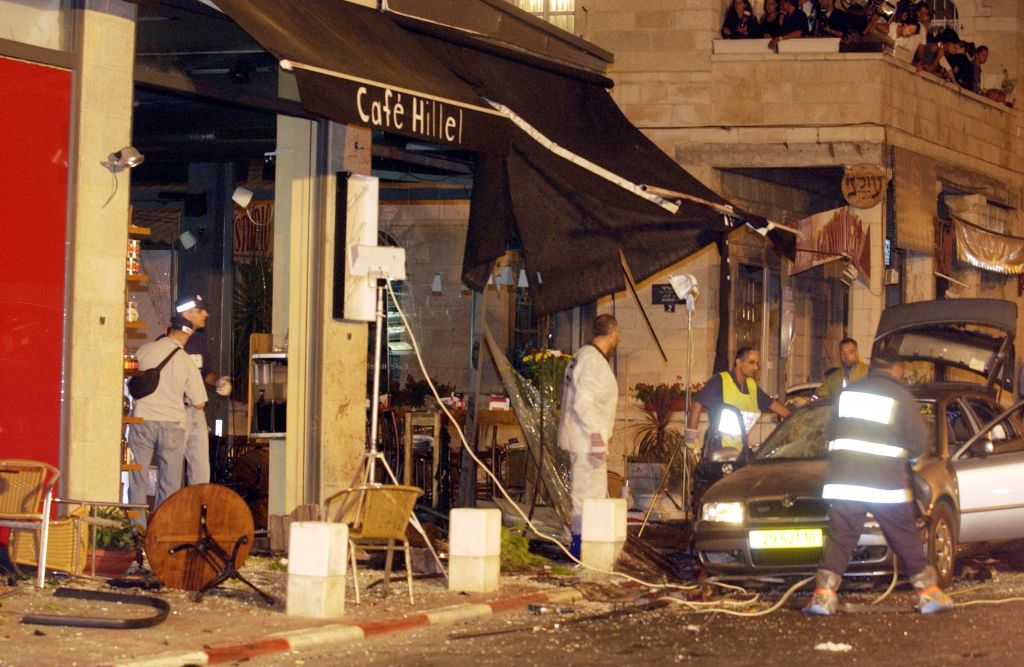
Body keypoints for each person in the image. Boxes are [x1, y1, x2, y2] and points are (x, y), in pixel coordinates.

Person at [805, 351, 954, 615]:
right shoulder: (900, 396)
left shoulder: (849, 393)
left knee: (841, 537)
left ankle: (823, 598)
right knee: (904, 535)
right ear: (897, 369)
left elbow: (829, 432)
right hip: (885, 483)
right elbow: (917, 444)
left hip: (845, 481)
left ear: (872, 368)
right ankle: (929, 594)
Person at [128, 315, 208, 526]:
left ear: (167, 329)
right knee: (169, 481)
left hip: (142, 420)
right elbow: (199, 403)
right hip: (172, 424)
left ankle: (137, 528)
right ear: (186, 336)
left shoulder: (145, 350)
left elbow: (131, 382)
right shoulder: (186, 361)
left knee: (138, 476)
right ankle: (161, 528)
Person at [558, 314, 620, 559]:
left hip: (584, 439)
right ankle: (580, 549)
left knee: (587, 496)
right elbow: (583, 404)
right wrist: (596, 437)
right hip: (587, 442)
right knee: (587, 498)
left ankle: (585, 546)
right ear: (613, 333)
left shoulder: (582, 356)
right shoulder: (592, 361)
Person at [686, 347, 791, 451]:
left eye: (757, 363)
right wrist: (691, 438)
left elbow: (773, 405)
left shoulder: (751, 387)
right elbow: (698, 404)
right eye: (751, 362)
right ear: (739, 362)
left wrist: (798, 417)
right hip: (718, 448)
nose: (756, 367)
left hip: (740, 448)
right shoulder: (720, 381)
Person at [175, 293, 232, 486]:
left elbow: (206, 372)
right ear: (188, 313)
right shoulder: (169, 340)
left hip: (197, 411)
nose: (206, 314)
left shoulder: (199, 340)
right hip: (176, 412)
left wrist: (218, 382)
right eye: (201, 310)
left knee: (201, 469)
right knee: (173, 470)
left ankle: (198, 511)